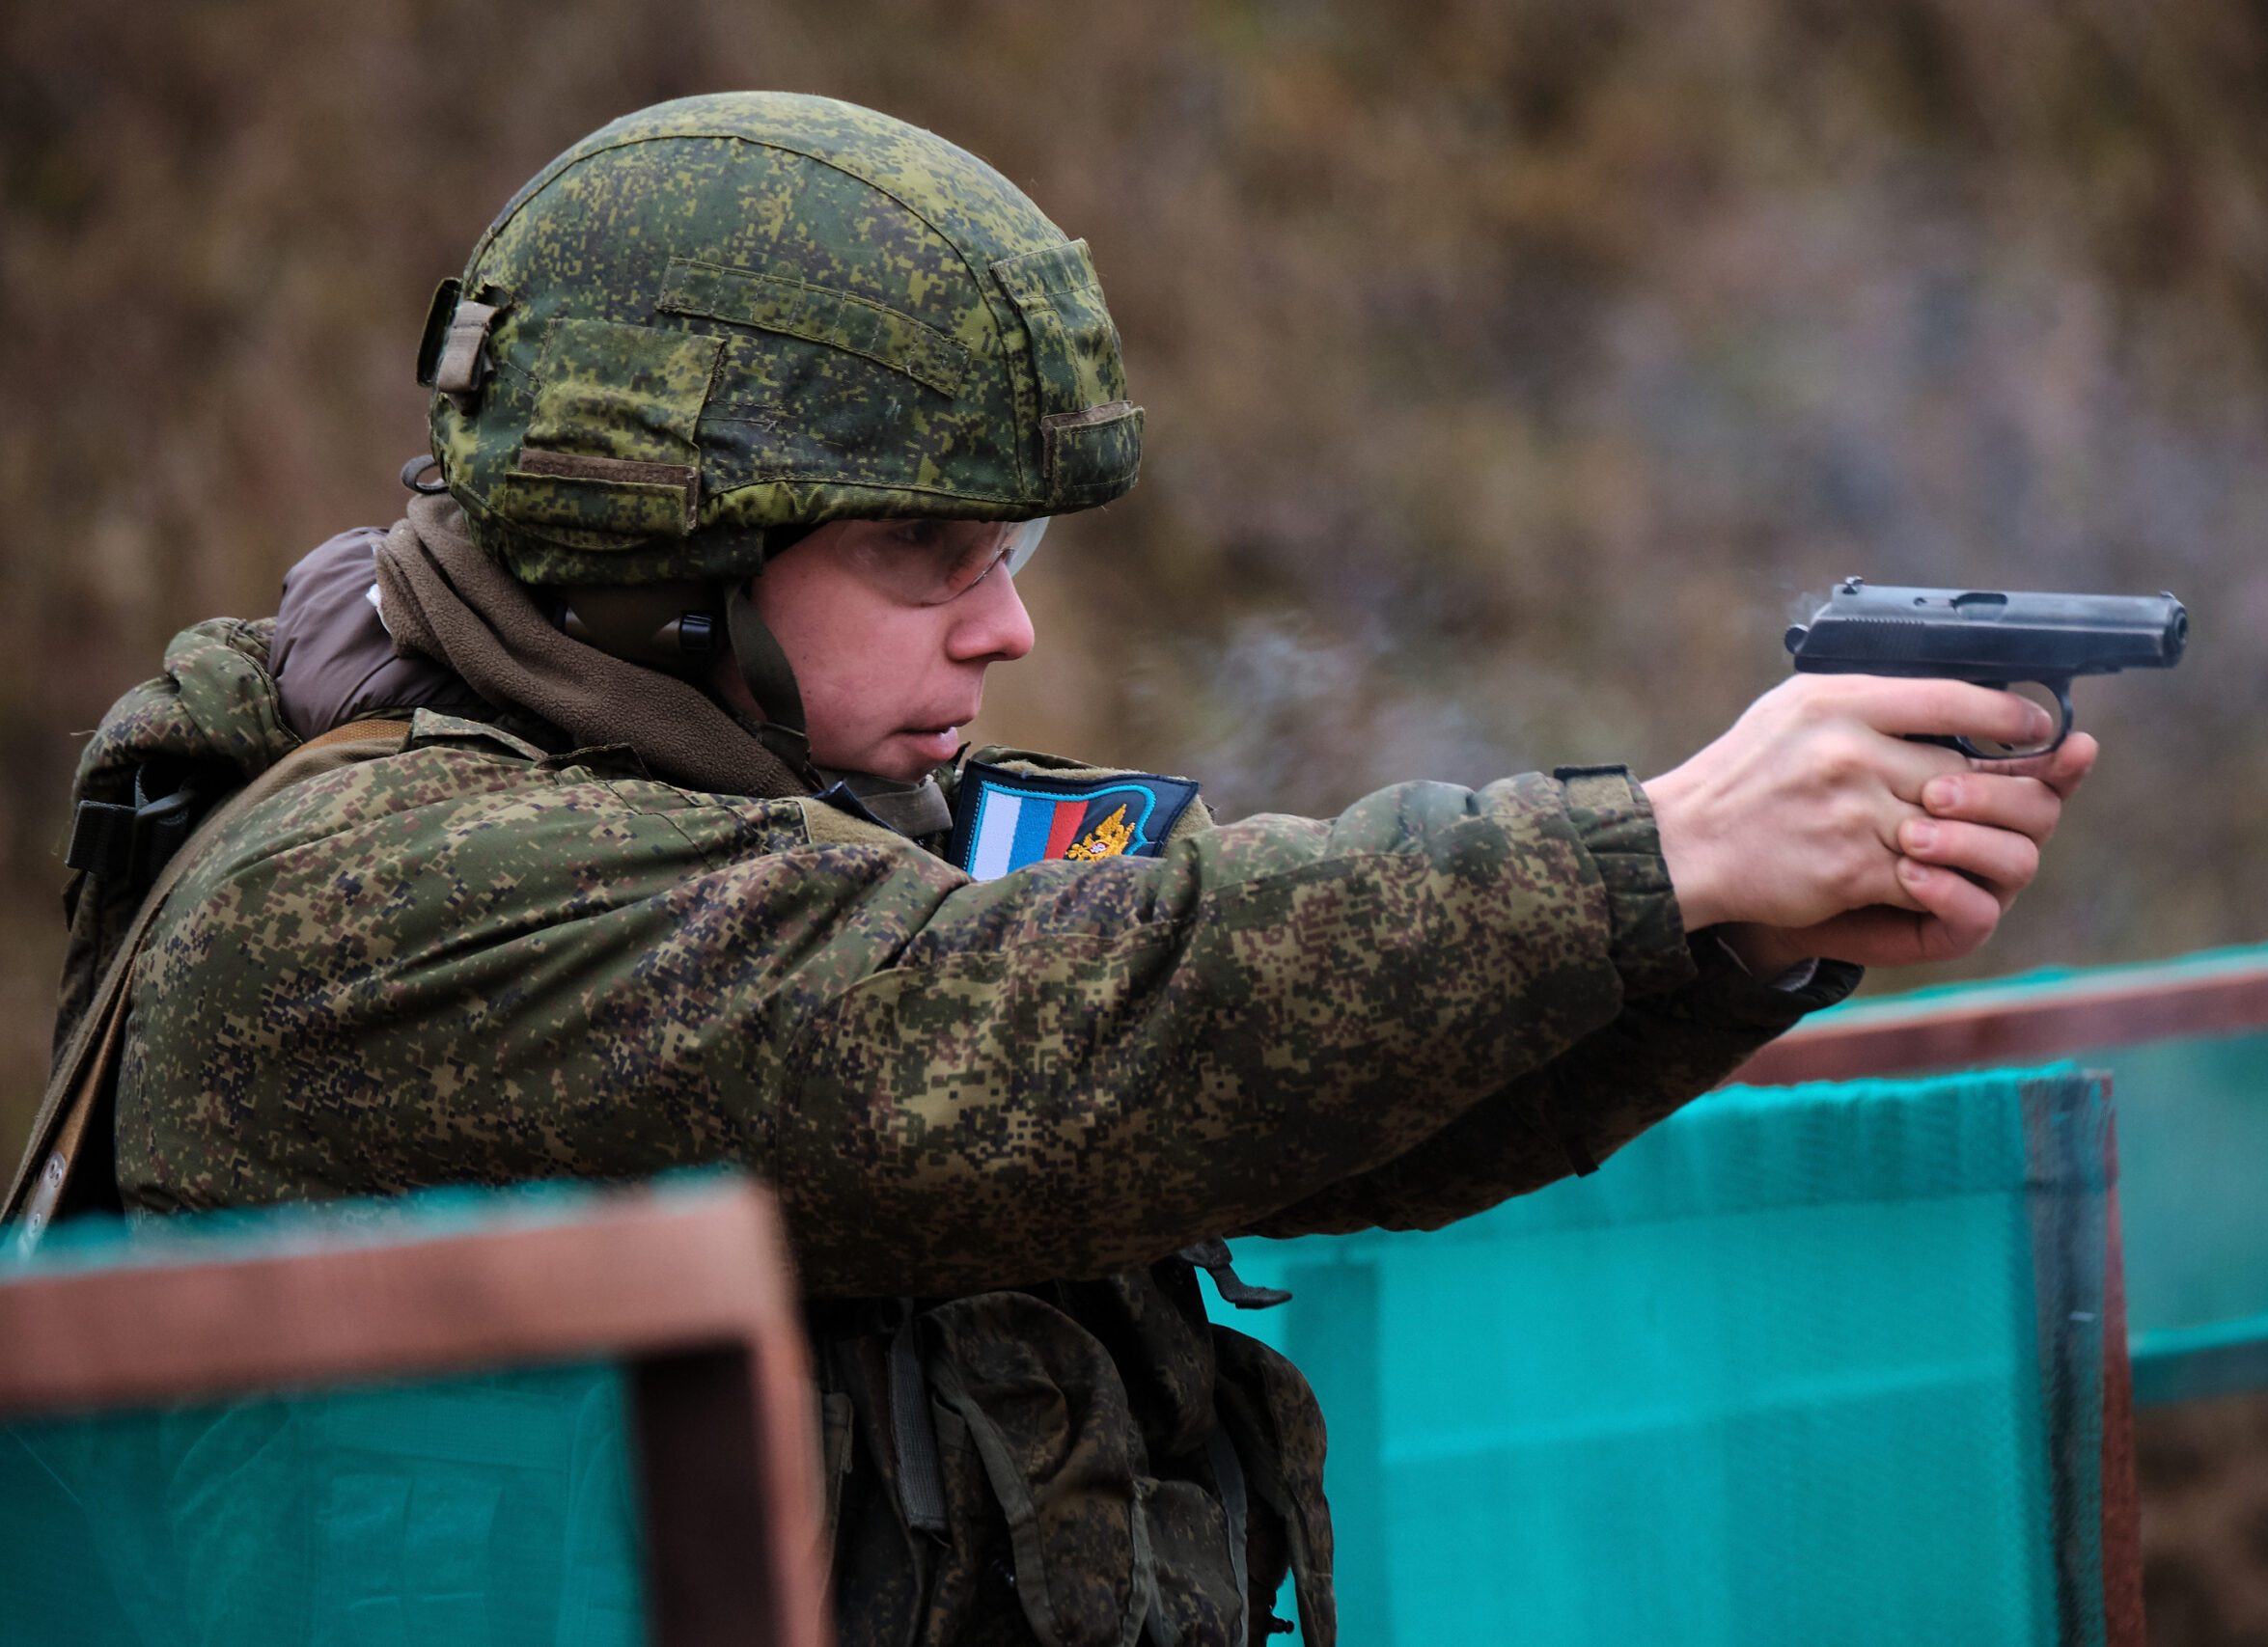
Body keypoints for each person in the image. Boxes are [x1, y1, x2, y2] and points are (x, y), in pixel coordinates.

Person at [38, 94, 2093, 1646]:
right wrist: (1655, 845)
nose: (1002, 629)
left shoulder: (806, 822)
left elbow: (1281, 1104)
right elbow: (1059, 1032)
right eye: (926, 558)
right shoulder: (369, 898)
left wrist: (1720, 934)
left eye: (1005, 556)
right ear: (670, 551)